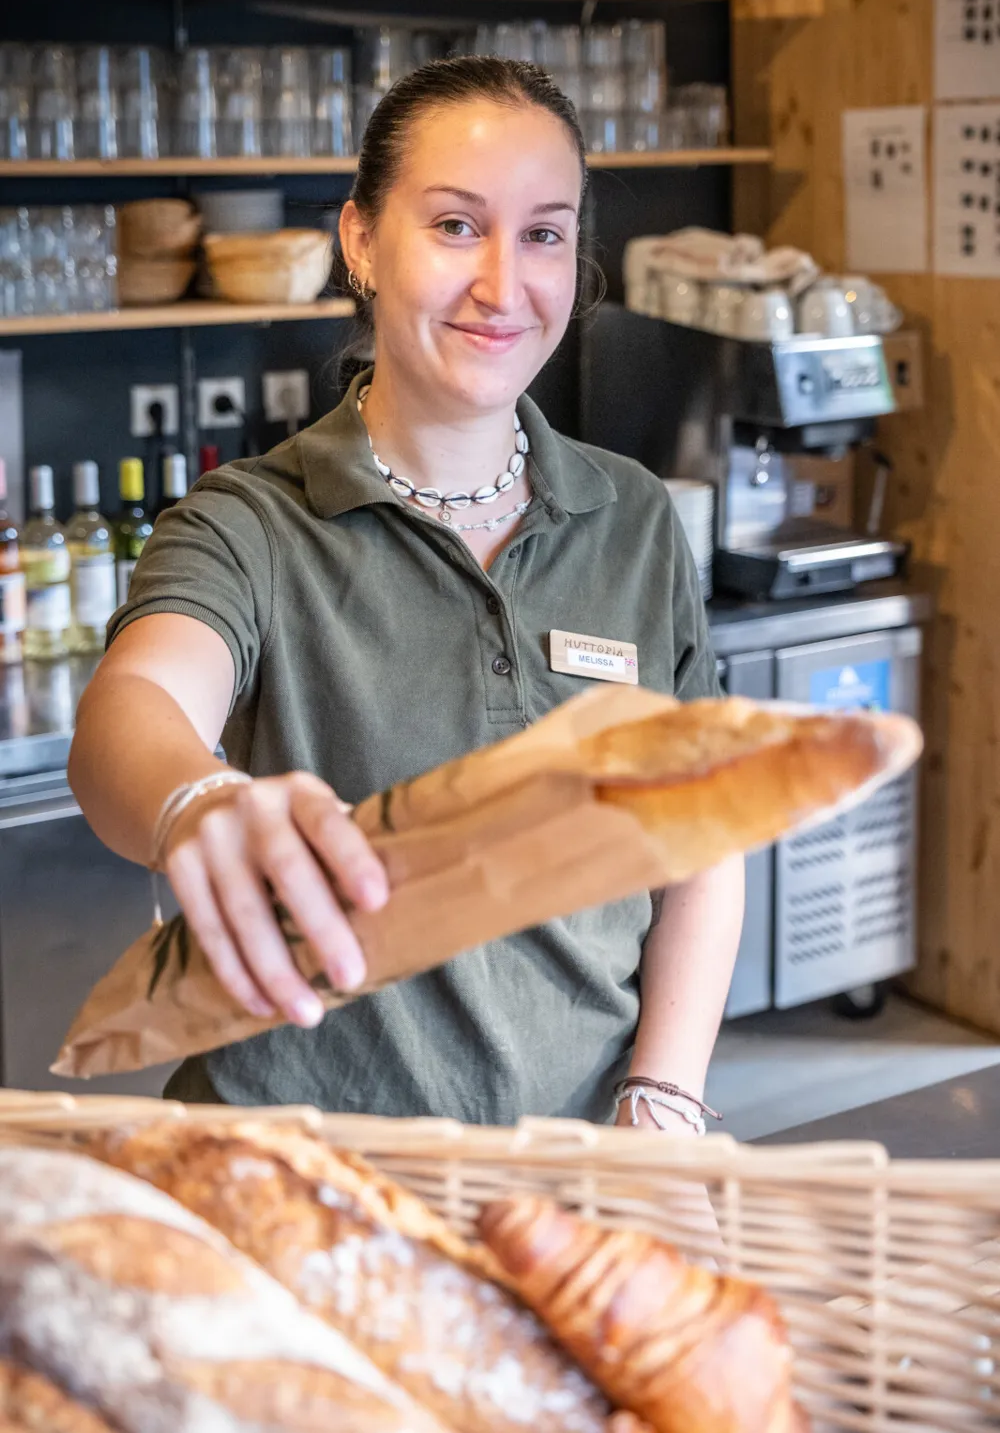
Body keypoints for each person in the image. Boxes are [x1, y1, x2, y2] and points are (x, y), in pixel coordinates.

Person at [69, 56, 744, 1133]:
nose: (502, 286)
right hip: (305, 1181)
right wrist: (199, 804)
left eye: (544, 234)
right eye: (455, 226)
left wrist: (661, 1101)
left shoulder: (631, 516)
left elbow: (702, 834)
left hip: (577, 1177)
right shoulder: (252, 521)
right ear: (361, 242)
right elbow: (131, 711)